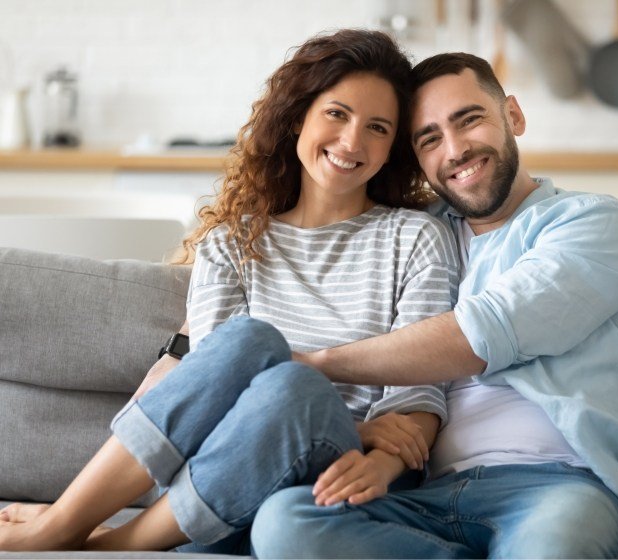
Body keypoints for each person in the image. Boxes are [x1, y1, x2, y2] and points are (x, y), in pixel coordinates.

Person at [0, 30, 460, 553]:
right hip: (233, 462)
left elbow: (418, 395)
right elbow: (214, 394)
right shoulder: (232, 243)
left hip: (353, 477)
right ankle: (67, 522)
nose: (353, 141)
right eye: (337, 114)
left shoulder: (416, 237)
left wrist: (369, 446)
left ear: (392, 147)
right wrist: (362, 425)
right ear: (298, 118)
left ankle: (107, 544)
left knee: (294, 387)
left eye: (377, 127)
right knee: (248, 342)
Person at [250, 53, 618, 559]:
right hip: (427, 497)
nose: (456, 149)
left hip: (563, 488)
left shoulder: (592, 224)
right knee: (285, 524)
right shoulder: (416, 238)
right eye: (429, 139)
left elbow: (482, 333)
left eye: (469, 120)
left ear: (513, 116)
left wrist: (315, 365)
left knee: (553, 548)